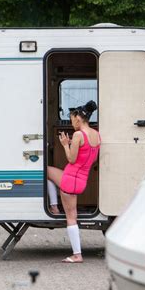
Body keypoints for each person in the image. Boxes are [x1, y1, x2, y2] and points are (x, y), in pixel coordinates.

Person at [47, 100, 100, 263]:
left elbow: (71, 158)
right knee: (47, 171)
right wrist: (73, 145)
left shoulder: (78, 135)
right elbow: (88, 156)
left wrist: (64, 145)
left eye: (72, 119)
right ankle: (54, 206)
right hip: (81, 180)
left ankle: (77, 254)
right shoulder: (96, 134)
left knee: (71, 217)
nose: (71, 123)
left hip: (70, 179)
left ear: (78, 118)